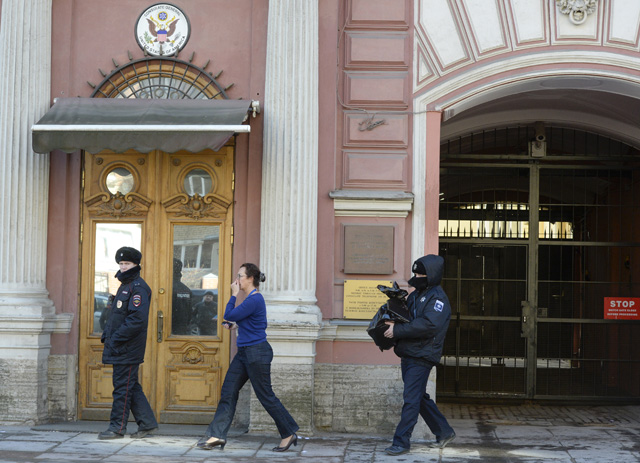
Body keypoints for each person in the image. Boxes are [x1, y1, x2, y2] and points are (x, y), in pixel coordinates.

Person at [196, 263, 299, 452]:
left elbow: (229, 314)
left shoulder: (254, 299)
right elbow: (254, 322)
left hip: (257, 353)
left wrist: (233, 294)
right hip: (244, 353)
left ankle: (289, 432)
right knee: (228, 391)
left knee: (265, 395)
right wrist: (236, 326)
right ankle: (217, 435)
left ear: (251, 278)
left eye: (240, 276)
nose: (237, 280)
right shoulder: (251, 300)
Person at [382, 254, 455, 456]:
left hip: (422, 356)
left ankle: (401, 441)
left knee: (411, 399)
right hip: (409, 352)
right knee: (418, 397)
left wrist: (397, 331)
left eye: (420, 273)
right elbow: (408, 317)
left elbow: (429, 325)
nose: (416, 276)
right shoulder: (417, 294)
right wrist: (396, 305)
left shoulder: (437, 299)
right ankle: (444, 431)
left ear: (431, 275)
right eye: (415, 272)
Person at [99, 247, 158, 439]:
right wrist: (107, 334)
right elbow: (116, 315)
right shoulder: (125, 286)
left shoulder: (138, 288)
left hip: (128, 347)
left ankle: (117, 428)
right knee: (130, 386)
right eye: (121, 264)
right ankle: (147, 424)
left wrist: (115, 338)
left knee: (122, 388)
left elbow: (136, 320)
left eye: (127, 264)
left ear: (136, 265)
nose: (123, 267)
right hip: (120, 346)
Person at [171, 257, 192, 335]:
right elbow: (190, 313)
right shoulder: (186, 289)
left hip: (170, 329)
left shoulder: (167, 288)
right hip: (182, 329)